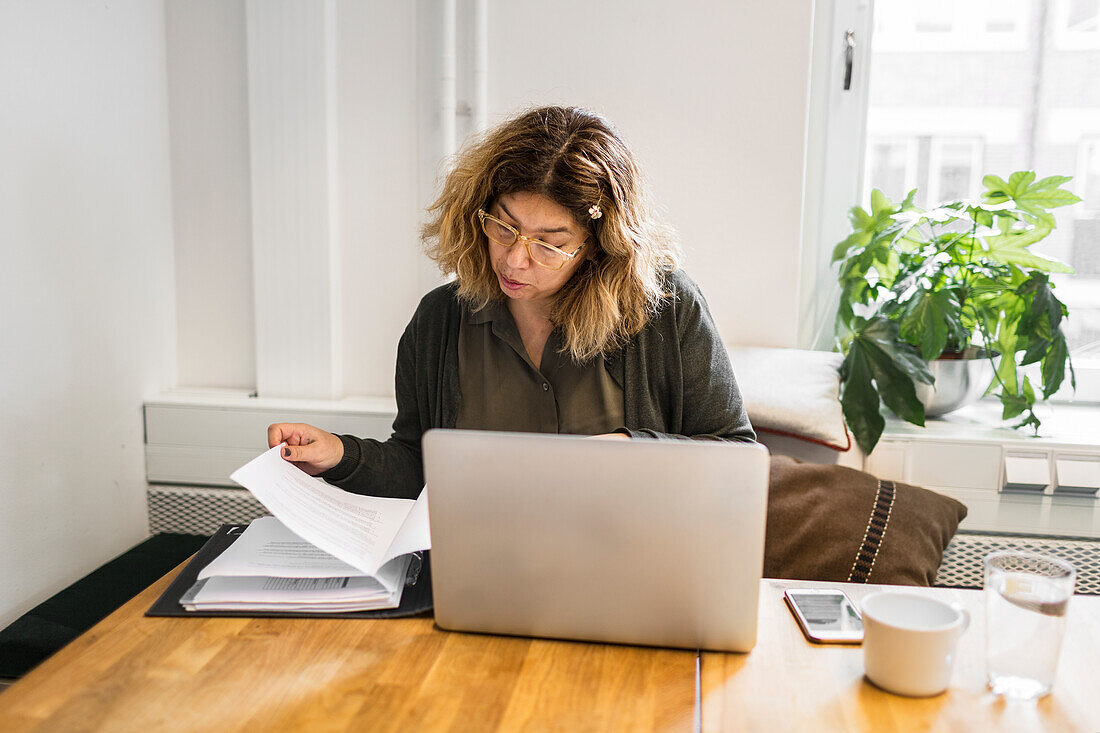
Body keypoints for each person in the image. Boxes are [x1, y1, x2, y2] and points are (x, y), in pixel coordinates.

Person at [268, 106, 755, 500]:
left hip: (630, 575)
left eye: (549, 242)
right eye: (504, 227)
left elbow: (738, 456)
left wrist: (631, 450)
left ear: (599, 244)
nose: (516, 260)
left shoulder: (665, 309)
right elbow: (420, 467)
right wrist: (339, 454)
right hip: (482, 576)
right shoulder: (439, 321)